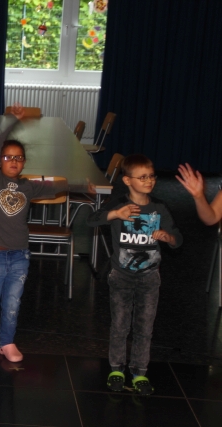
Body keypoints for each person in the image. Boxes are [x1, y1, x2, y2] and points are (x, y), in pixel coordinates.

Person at [0, 107, 68, 363]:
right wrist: (12, 120)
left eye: (19, 158)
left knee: (12, 305)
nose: (13, 161)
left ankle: (6, 342)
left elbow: (56, 186)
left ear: (24, 163)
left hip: (20, 256)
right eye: (8, 157)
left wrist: (82, 185)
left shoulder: (28, 186)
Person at [87, 154, 182, 395]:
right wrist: (115, 215)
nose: (149, 181)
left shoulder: (159, 208)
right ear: (127, 180)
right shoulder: (118, 204)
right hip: (121, 276)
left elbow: (177, 239)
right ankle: (116, 369)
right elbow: (91, 219)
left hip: (150, 277)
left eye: (151, 176)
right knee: (120, 325)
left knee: (145, 327)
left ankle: (140, 372)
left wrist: (168, 237)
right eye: (142, 177)